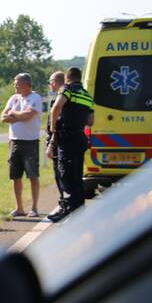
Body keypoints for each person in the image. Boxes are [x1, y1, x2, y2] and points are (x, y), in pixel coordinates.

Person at [47, 66, 94, 222]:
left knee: (65, 174)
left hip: (66, 138)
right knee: (77, 175)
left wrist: (54, 128)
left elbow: (57, 107)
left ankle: (67, 208)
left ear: (67, 78)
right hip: (80, 137)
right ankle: (79, 208)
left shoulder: (67, 90)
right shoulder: (87, 96)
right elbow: (90, 121)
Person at [1, 72, 43, 218]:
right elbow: (3, 117)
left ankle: (34, 208)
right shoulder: (13, 98)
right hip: (14, 141)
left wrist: (14, 114)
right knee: (15, 176)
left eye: (17, 84)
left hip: (30, 142)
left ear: (26, 85)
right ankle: (19, 208)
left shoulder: (35, 98)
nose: (15, 87)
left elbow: (29, 116)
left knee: (32, 175)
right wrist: (18, 115)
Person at [45, 70, 66, 216]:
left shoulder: (62, 99)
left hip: (59, 142)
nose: (50, 85)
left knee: (61, 175)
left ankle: (64, 204)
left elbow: (56, 127)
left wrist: (51, 143)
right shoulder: (58, 98)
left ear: (56, 82)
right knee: (59, 175)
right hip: (58, 141)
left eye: (51, 82)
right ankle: (63, 203)